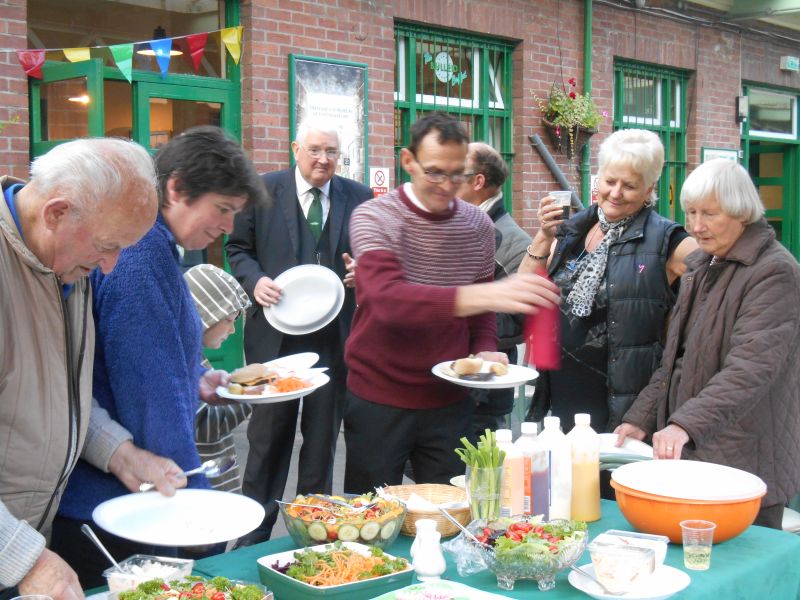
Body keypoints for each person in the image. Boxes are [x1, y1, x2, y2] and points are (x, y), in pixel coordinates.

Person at [52, 126, 267, 587]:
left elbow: (146, 360)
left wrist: (195, 381)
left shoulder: (155, 248)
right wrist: (198, 497)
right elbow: (147, 390)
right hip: (119, 504)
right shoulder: (140, 254)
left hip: (131, 494)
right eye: (223, 208)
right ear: (175, 188)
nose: (228, 226)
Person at [0, 138, 189, 600]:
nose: (111, 265)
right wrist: (23, 556)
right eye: (107, 246)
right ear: (56, 213)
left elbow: (57, 392)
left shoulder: (65, 260)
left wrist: (121, 453)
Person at [343, 112, 561, 494]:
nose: (447, 185)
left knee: (451, 514)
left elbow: (481, 316)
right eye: (435, 172)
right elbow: (387, 299)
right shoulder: (374, 217)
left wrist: (485, 349)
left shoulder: (477, 225)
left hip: (451, 399)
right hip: (378, 395)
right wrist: (489, 293)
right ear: (407, 160)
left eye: (457, 173)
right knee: (372, 517)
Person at [615, 158, 800, 529]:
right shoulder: (703, 265)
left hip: (747, 456)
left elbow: (750, 369)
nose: (696, 226)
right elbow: (677, 359)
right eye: (690, 212)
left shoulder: (774, 271)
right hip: (700, 451)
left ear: (741, 212)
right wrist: (641, 417)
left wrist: (684, 425)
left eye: (710, 214)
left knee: (743, 580)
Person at [226, 118, 373, 544]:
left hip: (334, 337)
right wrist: (254, 281)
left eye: (331, 152)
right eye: (314, 150)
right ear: (295, 149)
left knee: (322, 441)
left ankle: (313, 536)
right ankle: (253, 535)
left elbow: (373, 252)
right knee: (268, 441)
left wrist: (363, 272)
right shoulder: (263, 190)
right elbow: (236, 248)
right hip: (275, 338)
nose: (323, 159)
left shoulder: (359, 196)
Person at [519, 128, 697, 434]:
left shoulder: (668, 241)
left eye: (629, 186)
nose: (615, 193)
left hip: (624, 408)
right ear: (597, 178)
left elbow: (720, 284)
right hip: (560, 393)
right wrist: (543, 237)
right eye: (610, 181)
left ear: (649, 188)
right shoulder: (575, 228)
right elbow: (523, 297)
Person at [457, 142, 531, 435]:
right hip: (444, 385)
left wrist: (452, 313)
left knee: (473, 477)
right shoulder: (451, 226)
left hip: (481, 396)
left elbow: (516, 324)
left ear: (478, 181)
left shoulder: (516, 245)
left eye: (456, 172)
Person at [184, 263, 253, 493]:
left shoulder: (196, 356)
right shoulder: (183, 361)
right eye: (229, 319)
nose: (233, 330)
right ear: (206, 314)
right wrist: (251, 394)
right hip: (200, 490)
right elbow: (205, 425)